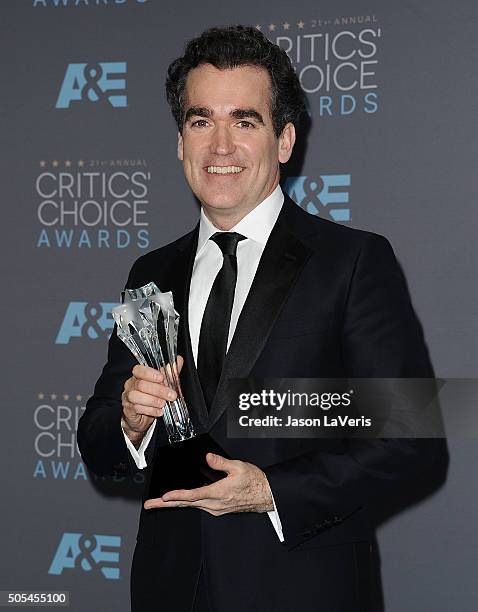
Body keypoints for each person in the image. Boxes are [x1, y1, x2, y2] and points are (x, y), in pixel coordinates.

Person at [78, 25, 447, 612]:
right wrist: (129, 422)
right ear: (180, 142)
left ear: (284, 141)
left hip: (302, 588)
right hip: (172, 591)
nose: (220, 147)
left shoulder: (352, 262)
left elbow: (412, 441)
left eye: (244, 121)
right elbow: (97, 442)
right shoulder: (150, 271)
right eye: (201, 122)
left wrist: (273, 491)